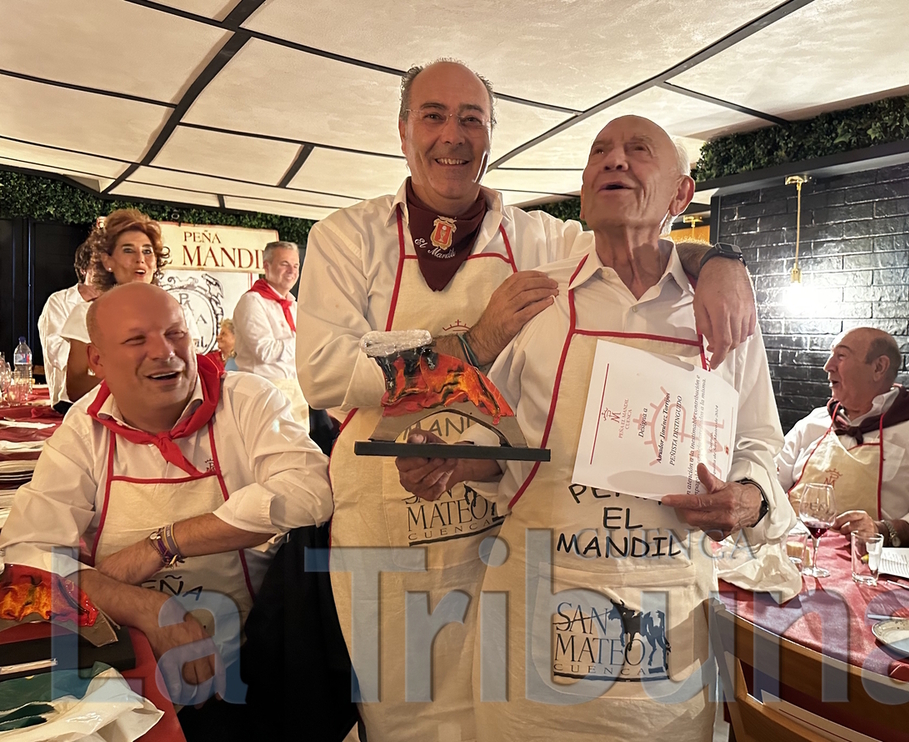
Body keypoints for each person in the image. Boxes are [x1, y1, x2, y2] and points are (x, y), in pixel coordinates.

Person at [297, 61, 759, 741]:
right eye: (433, 115)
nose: (452, 136)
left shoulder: (540, 238)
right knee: (406, 718)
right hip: (388, 534)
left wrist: (722, 262)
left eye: (471, 119)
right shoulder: (346, 237)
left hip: (499, 530)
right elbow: (325, 373)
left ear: (491, 137)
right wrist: (472, 343)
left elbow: (635, 239)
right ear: (402, 130)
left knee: (502, 715)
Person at [395, 115, 793, 742]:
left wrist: (749, 497)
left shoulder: (721, 307)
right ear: (582, 192)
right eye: (599, 152)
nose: (615, 160)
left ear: (680, 195)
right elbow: (507, 446)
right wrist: (448, 460)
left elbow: (761, 442)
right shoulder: (532, 300)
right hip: (534, 617)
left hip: (668, 619)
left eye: (638, 150)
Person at [0, 283, 332, 741]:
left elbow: (312, 489)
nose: (164, 352)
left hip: (258, 661)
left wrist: (164, 544)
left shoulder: (247, 399)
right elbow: (26, 553)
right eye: (137, 340)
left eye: (176, 334)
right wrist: (149, 609)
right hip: (128, 670)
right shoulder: (84, 426)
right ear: (96, 361)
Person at [777, 327, 909, 547]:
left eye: (841, 356)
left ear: (878, 367)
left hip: (868, 564)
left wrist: (882, 531)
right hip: (790, 550)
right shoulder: (815, 421)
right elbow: (771, 477)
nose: (828, 366)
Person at [61, 209, 172, 402]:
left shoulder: (173, 313)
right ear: (108, 261)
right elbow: (76, 386)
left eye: (147, 251)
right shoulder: (86, 313)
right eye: (128, 250)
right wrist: (140, 385)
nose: (140, 259)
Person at [232, 241, 308, 427]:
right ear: (266, 266)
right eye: (284, 264)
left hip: (296, 389)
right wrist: (304, 341)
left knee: (300, 452)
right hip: (265, 389)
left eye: (296, 265)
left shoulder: (293, 304)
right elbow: (265, 351)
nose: (292, 271)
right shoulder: (252, 301)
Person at [37, 237, 100, 413]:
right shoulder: (58, 302)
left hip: (112, 398)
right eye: (97, 265)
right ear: (83, 269)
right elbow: (57, 351)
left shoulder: (117, 302)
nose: (105, 271)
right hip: (70, 402)